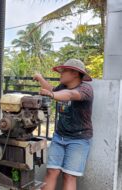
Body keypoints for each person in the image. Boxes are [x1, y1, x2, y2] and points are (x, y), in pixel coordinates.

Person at [34, 59, 93, 190]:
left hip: (78, 139)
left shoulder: (85, 89)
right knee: (51, 172)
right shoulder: (62, 87)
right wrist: (40, 78)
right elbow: (51, 89)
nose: (60, 73)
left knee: (69, 176)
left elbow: (70, 95)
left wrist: (52, 94)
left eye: (64, 71)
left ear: (75, 74)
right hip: (59, 136)